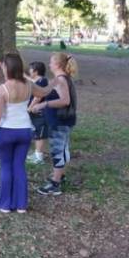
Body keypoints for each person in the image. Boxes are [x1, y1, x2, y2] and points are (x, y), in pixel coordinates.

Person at [0, 53, 52, 213]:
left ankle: (4, 204)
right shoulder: (29, 85)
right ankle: (21, 205)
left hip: (6, 132)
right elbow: (43, 92)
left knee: (6, 166)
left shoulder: (3, 89)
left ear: (6, 68)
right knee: (19, 166)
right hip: (24, 131)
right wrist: (56, 79)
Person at [30, 52, 78, 196]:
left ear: (57, 65)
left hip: (60, 122)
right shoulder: (60, 78)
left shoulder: (61, 80)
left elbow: (65, 101)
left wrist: (43, 104)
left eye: (51, 62)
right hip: (62, 121)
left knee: (57, 151)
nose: (49, 64)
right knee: (62, 150)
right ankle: (60, 176)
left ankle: (55, 184)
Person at [26, 61, 49, 165]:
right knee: (36, 133)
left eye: (30, 69)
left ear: (35, 71)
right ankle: (37, 154)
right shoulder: (37, 80)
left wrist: (30, 107)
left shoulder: (42, 81)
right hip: (35, 112)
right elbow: (30, 80)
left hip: (41, 113)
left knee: (40, 134)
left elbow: (38, 96)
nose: (29, 71)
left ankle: (39, 157)